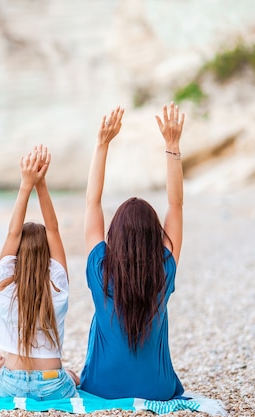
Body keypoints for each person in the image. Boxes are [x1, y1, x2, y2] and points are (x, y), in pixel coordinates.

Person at [79, 103, 185, 400]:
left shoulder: (100, 267)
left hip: (100, 388)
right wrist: (172, 146)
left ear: (115, 235)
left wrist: (102, 144)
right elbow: (175, 206)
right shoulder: (164, 267)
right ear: (155, 235)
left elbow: (92, 203)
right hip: (158, 390)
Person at [0, 145, 78, 401]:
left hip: (12, 384)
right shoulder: (58, 283)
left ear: (16, 257)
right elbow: (53, 229)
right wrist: (41, 184)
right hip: (52, 383)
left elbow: (12, 234)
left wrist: (26, 184)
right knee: (71, 375)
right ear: (48, 255)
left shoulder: (3, 287)